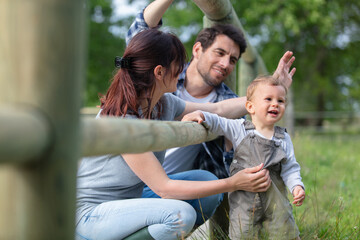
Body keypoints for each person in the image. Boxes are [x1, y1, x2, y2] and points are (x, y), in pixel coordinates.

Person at [75, 28, 272, 240]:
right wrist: (233, 183)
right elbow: (165, 188)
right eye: (178, 64)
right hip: (90, 213)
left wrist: (266, 96)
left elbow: (219, 110)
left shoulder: (164, 103)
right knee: (180, 216)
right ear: (159, 72)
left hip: (130, 197)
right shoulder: (122, 120)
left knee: (204, 181)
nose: (183, 70)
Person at [127, 0, 296, 180]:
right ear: (198, 49)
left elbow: (232, 152)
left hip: (175, 185)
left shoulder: (227, 102)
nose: (225, 64)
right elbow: (139, 31)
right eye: (220, 53)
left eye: (232, 60)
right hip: (127, 177)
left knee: (206, 185)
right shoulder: (165, 75)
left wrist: (271, 92)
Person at [182, 75, 306, 239]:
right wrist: (201, 114)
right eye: (268, 99)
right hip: (244, 201)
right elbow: (220, 122)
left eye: (280, 101)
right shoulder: (240, 129)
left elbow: (290, 167)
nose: (275, 104)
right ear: (250, 106)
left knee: (284, 232)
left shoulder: (283, 138)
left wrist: (296, 186)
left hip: (275, 200)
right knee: (243, 233)